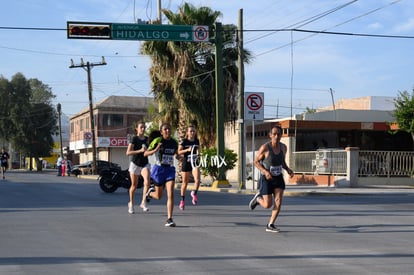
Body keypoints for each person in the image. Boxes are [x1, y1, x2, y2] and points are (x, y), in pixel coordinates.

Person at [248, 125, 294, 233]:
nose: (276, 136)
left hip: (278, 178)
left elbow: (282, 161)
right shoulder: (265, 148)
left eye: (279, 134)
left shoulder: (283, 147)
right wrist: (265, 171)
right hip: (267, 178)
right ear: (270, 135)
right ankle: (259, 199)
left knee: (278, 201)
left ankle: (270, 224)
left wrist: (288, 169)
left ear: (281, 135)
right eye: (274, 134)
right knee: (267, 205)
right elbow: (255, 162)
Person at [144, 123, 178, 227]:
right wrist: (156, 149)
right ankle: (149, 193)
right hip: (159, 170)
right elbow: (146, 153)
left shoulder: (174, 142)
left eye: (169, 129)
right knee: (158, 196)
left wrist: (179, 157)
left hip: (169, 170)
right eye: (165, 129)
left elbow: (176, 153)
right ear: (161, 131)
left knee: (170, 192)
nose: (167, 131)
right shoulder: (157, 141)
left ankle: (169, 218)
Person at [126, 121, 151, 214]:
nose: (143, 129)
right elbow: (128, 152)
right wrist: (140, 150)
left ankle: (143, 202)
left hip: (144, 163)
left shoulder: (147, 139)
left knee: (147, 182)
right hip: (135, 164)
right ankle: (131, 203)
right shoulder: (134, 139)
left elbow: (149, 150)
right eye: (141, 127)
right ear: (137, 129)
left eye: (144, 127)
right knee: (134, 185)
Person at [177, 125, 201, 210]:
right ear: (187, 133)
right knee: (185, 183)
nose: (192, 133)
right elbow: (179, 151)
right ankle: (182, 201)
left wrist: (198, 153)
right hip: (186, 162)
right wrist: (187, 150)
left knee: (197, 180)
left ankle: (194, 193)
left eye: (193, 131)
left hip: (194, 162)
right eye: (190, 131)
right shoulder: (184, 141)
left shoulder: (196, 141)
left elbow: (198, 149)